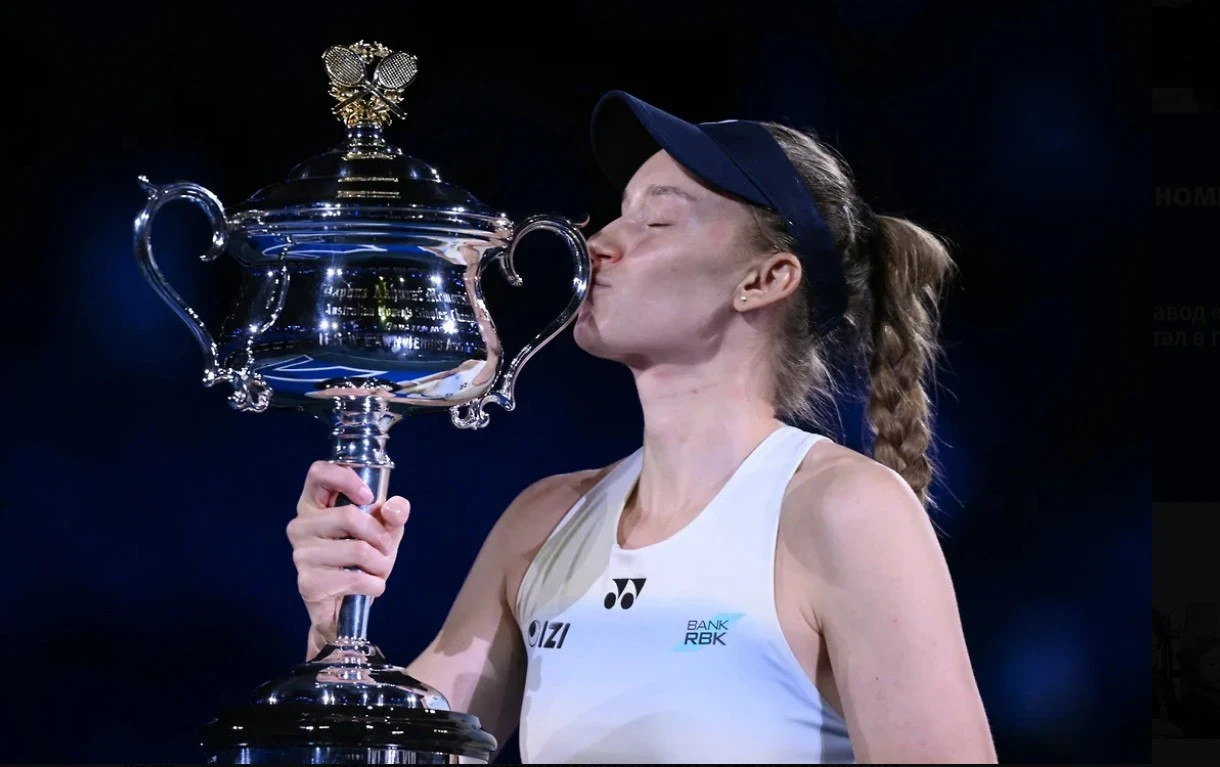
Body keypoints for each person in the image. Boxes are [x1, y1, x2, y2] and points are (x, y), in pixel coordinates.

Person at [287, 90, 998, 764]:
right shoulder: (540, 524)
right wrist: (334, 628)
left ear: (763, 279)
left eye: (656, 220)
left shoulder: (845, 512)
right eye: (615, 213)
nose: (596, 243)